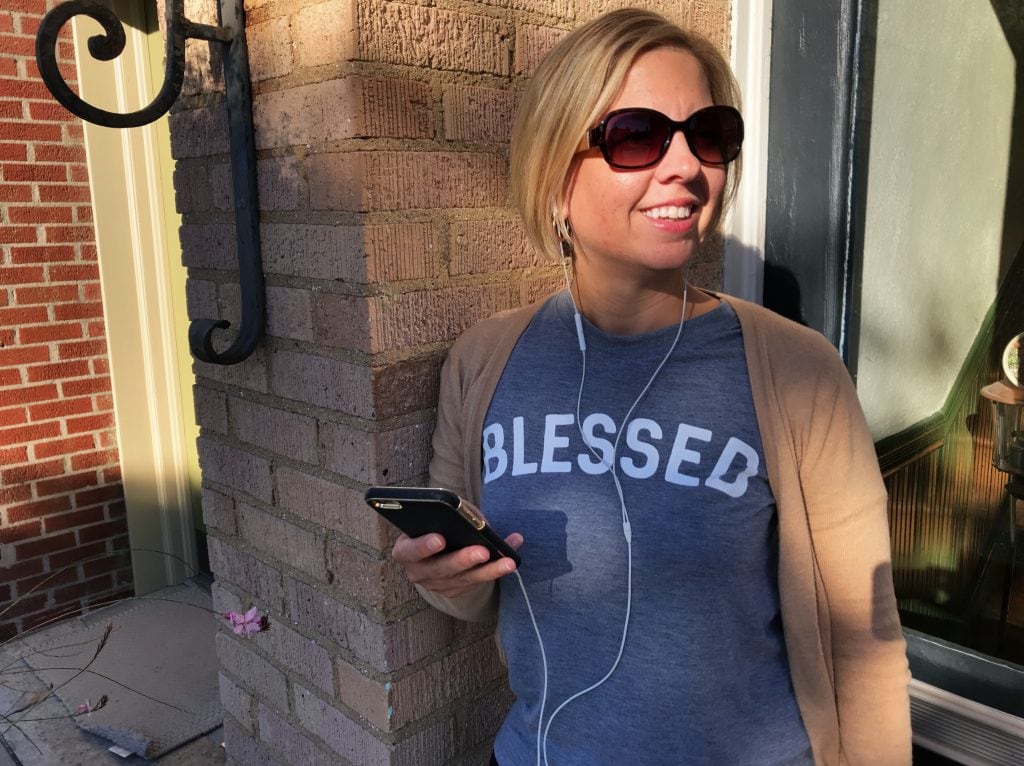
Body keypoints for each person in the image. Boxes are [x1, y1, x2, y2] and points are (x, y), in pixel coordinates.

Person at [392, 9, 911, 765]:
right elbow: (470, 597)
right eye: (637, 135)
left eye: (708, 135)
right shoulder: (484, 361)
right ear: (553, 176)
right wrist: (442, 573)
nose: (686, 166)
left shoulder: (798, 373)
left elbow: (861, 640)